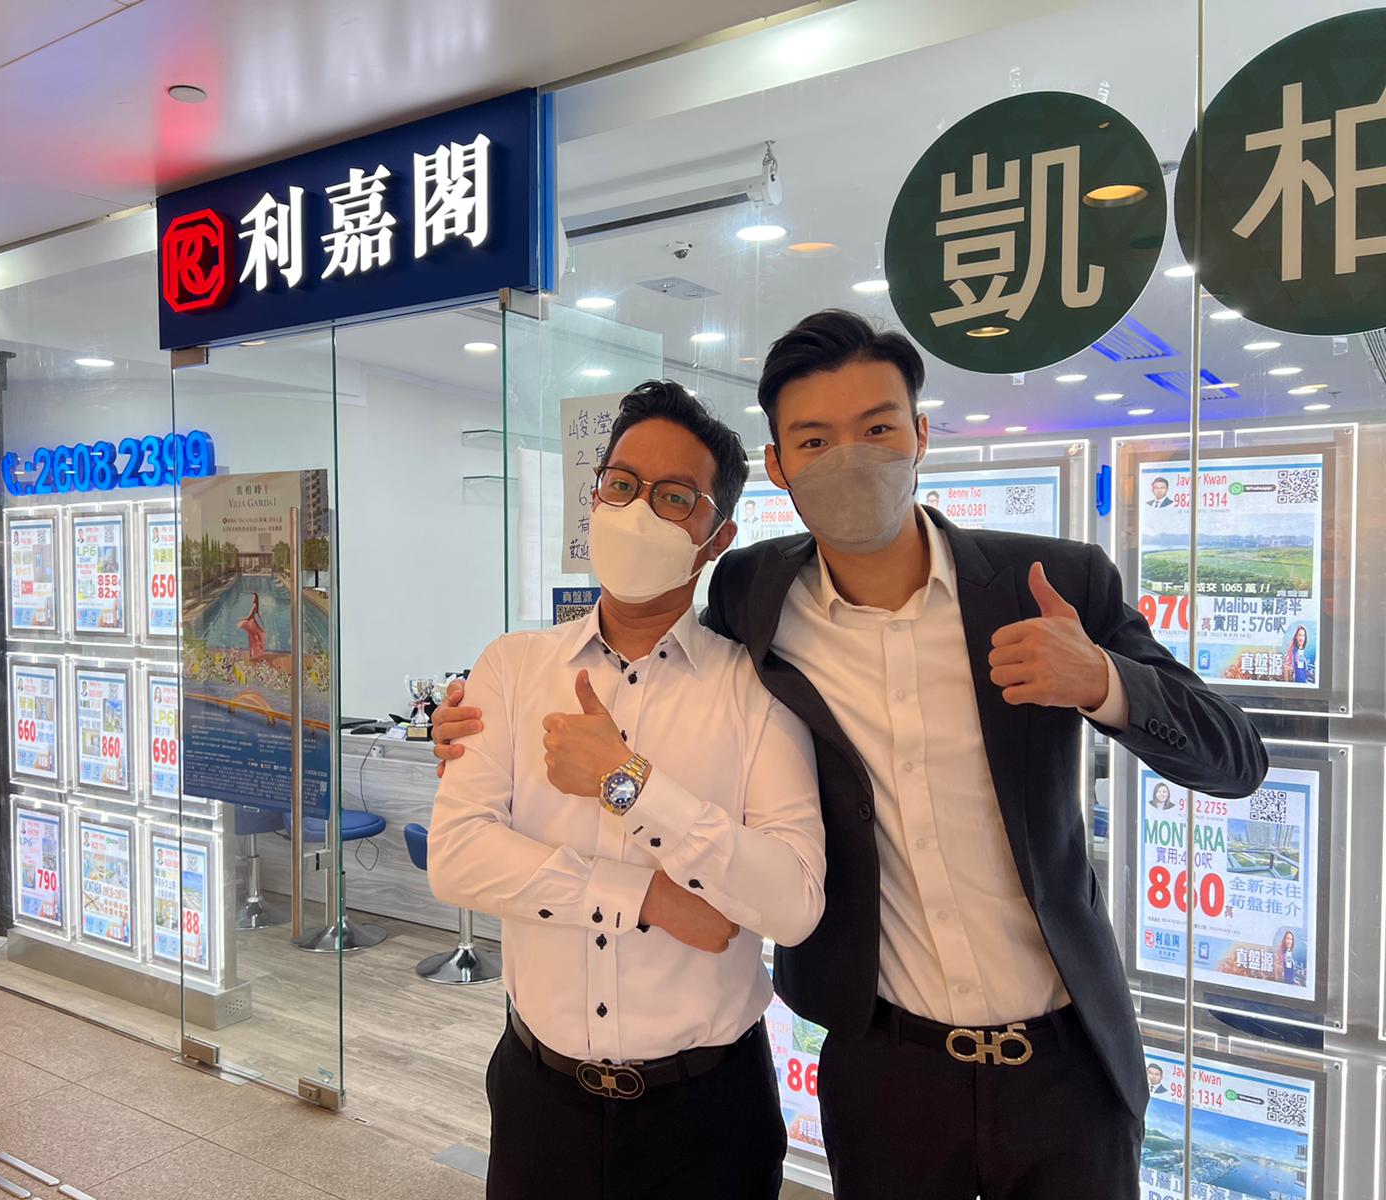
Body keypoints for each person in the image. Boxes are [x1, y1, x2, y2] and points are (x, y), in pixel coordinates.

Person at [437, 311, 1267, 1200]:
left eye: (876, 428)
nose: (850, 459)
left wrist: (1105, 681)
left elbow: (1235, 759)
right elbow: (648, 654)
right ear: (781, 466)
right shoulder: (756, 601)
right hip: (886, 1066)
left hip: (1064, 1064)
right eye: (814, 440)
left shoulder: (1049, 583)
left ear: (920, 434)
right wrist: (473, 724)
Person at [429, 381, 826, 1200]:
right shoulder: (512, 668)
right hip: (540, 1100)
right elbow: (458, 858)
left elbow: (792, 904)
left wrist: (627, 784)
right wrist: (645, 896)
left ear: (716, 538)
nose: (638, 510)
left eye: (674, 497)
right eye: (621, 484)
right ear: (595, 496)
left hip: (708, 1114)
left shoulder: (757, 690)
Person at [238, 592, 266, 660]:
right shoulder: (256, 606)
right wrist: (262, 622)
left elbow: (248, 617)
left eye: (253, 597)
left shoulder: (254, 606)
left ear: (255, 599)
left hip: (251, 623)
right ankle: (253, 654)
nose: (252, 598)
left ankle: (252, 655)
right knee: (254, 639)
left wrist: (241, 618)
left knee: (252, 639)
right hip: (253, 622)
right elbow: (258, 614)